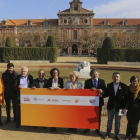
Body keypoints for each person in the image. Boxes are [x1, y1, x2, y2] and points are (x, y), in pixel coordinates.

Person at [103, 72, 128, 140]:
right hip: (110, 106)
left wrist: (125, 107)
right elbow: (106, 94)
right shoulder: (109, 85)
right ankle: (108, 133)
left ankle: (116, 134)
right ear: (112, 77)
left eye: (117, 77)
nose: (115, 78)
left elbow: (126, 98)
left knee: (118, 121)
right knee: (109, 121)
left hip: (119, 107)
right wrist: (101, 94)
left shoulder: (124, 86)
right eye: (114, 77)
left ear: (119, 78)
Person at [82, 69, 106, 136]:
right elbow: (85, 91)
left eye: (96, 74)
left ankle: (97, 129)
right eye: (93, 74)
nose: (94, 75)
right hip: (89, 102)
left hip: (99, 102)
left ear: (98, 74)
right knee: (88, 115)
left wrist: (102, 92)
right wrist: (90, 90)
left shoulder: (102, 81)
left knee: (98, 116)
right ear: (91, 74)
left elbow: (105, 91)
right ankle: (87, 128)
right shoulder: (87, 81)